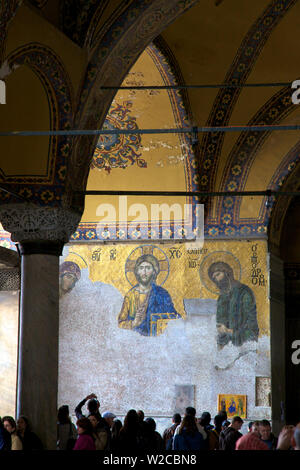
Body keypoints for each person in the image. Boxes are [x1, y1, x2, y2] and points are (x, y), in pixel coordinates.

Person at [118, 254, 182, 336]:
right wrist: (134, 323)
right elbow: (120, 323)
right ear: (137, 271)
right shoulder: (131, 296)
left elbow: (174, 317)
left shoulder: (162, 294)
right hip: (135, 339)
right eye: (141, 268)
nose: (144, 272)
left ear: (154, 272)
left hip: (158, 339)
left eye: (148, 268)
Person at [208, 261, 259, 348]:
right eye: (214, 278)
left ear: (227, 272)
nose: (217, 280)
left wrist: (229, 331)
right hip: (227, 350)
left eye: (218, 274)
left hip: (245, 348)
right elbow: (221, 325)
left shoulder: (244, 293)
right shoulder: (222, 298)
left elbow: (252, 330)